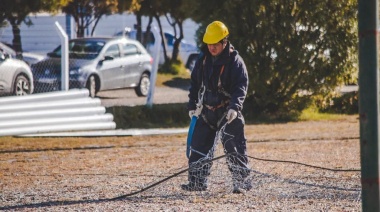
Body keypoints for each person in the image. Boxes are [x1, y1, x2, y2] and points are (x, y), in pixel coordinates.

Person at [182, 21, 250, 194]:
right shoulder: (202, 60)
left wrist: (235, 107)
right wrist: (192, 106)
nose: (211, 47)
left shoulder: (235, 62)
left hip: (228, 113)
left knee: (234, 147)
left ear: (224, 42)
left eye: (215, 44)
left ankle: (241, 182)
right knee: (198, 147)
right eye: (209, 44)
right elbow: (195, 84)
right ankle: (197, 182)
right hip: (206, 112)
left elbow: (241, 87)